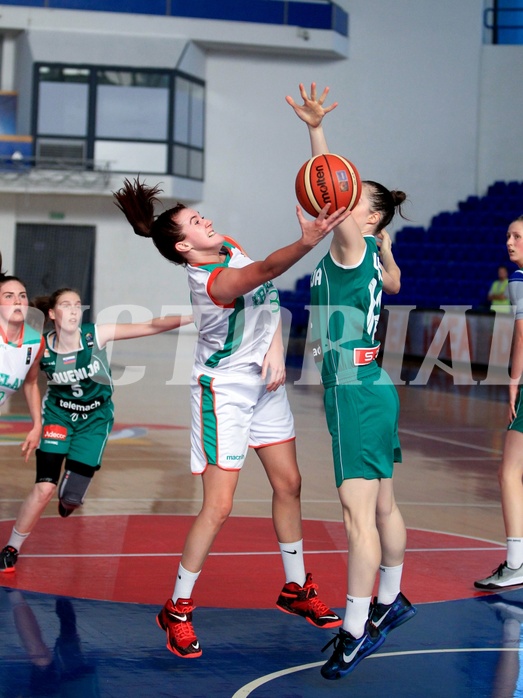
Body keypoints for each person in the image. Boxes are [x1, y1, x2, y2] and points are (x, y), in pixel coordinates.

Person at [113, 177, 350, 659]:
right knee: (219, 506)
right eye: (198, 223)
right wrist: (308, 241)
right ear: (184, 246)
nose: (209, 222)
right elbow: (263, 272)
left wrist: (277, 350)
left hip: (264, 381)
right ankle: (176, 608)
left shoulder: (228, 248)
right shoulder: (212, 283)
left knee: (290, 484)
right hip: (224, 392)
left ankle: (295, 589)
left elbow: (269, 299)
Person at [286, 83, 416, 680]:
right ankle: (392, 599)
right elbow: (391, 286)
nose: (338, 196)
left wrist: (315, 130)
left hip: (356, 389)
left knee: (355, 517)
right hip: (366, 385)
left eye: (351, 197)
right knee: (383, 504)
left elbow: (325, 179)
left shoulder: (349, 243)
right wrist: (388, 253)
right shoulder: (363, 251)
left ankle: (355, 629)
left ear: (367, 216)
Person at [0, 287, 192, 573]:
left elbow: (151, 324)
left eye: (78, 305)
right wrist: (36, 425)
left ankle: (69, 499)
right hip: (58, 416)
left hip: (95, 419)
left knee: (71, 498)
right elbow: (27, 381)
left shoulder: (95, 335)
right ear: (52, 313)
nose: (75, 310)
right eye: (66, 305)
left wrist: (195, 316)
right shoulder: (41, 346)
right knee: (44, 488)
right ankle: (12, 548)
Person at [475, 215, 523, 590]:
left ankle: (517, 562)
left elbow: (522, 332)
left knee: (509, 472)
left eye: (518, 236)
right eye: (507, 235)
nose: (509, 242)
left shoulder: (518, 281)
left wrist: (512, 380)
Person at [0, 255, 45, 462]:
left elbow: (31, 383)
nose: (18, 300)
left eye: (22, 295)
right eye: (9, 296)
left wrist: (37, 425)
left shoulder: (35, 342)